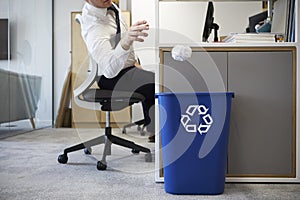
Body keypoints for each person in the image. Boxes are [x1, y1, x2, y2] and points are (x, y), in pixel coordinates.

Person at [81, 0, 155, 142]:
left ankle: (154, 131)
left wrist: (135, 62)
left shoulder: (112, 7)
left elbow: (121, 39)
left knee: (155, 79)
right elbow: (110, 70)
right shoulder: (94, 25)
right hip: (110, 77)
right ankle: (159, 133)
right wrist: (126, 40)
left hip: (127, 69)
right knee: (155, 82)